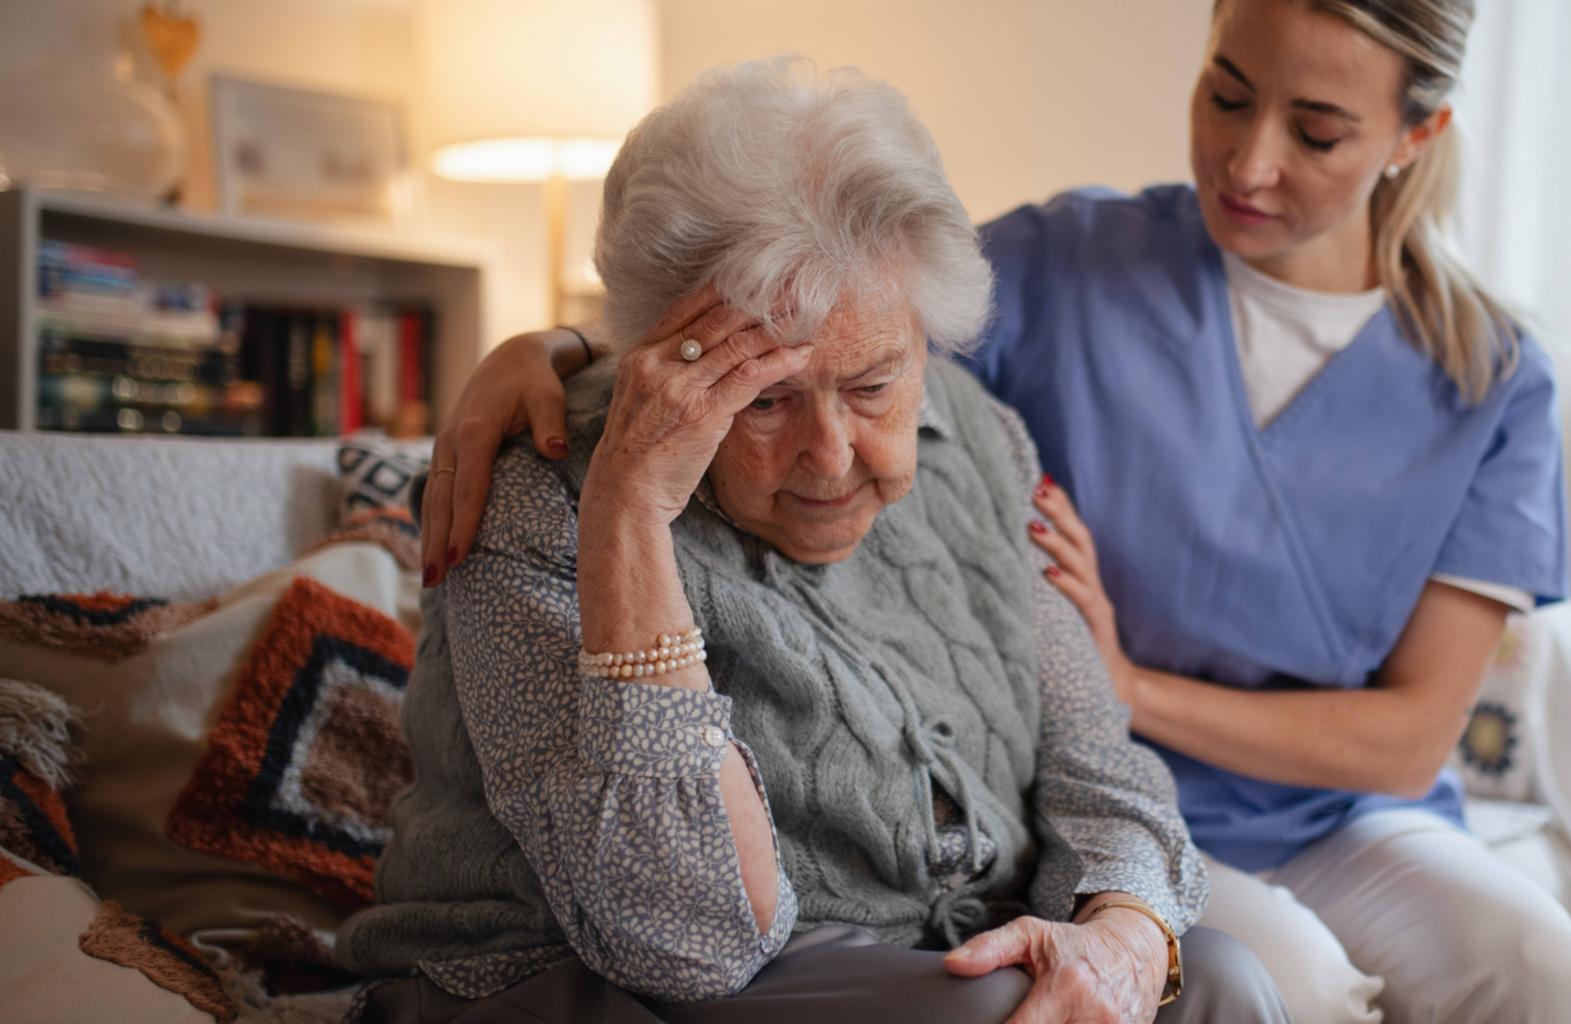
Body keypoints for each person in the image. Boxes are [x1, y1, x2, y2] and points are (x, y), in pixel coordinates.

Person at [420, 1, 1571, 1020]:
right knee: (1274, 979)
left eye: (1315, 129)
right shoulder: (1072, 260)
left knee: (1531, 955)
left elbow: (1399, 738)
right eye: (1225, 95)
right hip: (1066, 835)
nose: (1247, 164)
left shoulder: (1489, 372)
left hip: (1324, 810)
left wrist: (1127, 766)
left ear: (1416, 132)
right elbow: (811, 277)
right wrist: (563, 344)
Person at [337, 57, 1289, 1024]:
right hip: (580, 977)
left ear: (925, 338)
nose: (831, 459)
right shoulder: (541, 493)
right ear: (660, 358)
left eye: (874, 385)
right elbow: (685, 938)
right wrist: (627, 516)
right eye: (765, 397)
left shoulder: (978, 437)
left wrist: (1123, 933)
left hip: (927, 958)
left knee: (1217, 982)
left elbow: (1099, 766)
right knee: (986, 1013)